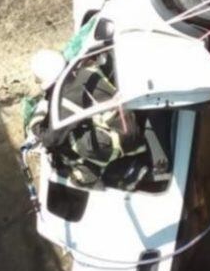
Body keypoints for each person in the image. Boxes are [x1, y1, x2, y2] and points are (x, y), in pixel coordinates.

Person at [26, 48, 149, 189]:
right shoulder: (86, 72)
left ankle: (98, 172)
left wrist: (36, 119)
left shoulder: (67, 99)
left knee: (70, 139)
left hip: (122, 137)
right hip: (127, 122)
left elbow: (51, 139)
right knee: (76, 128)